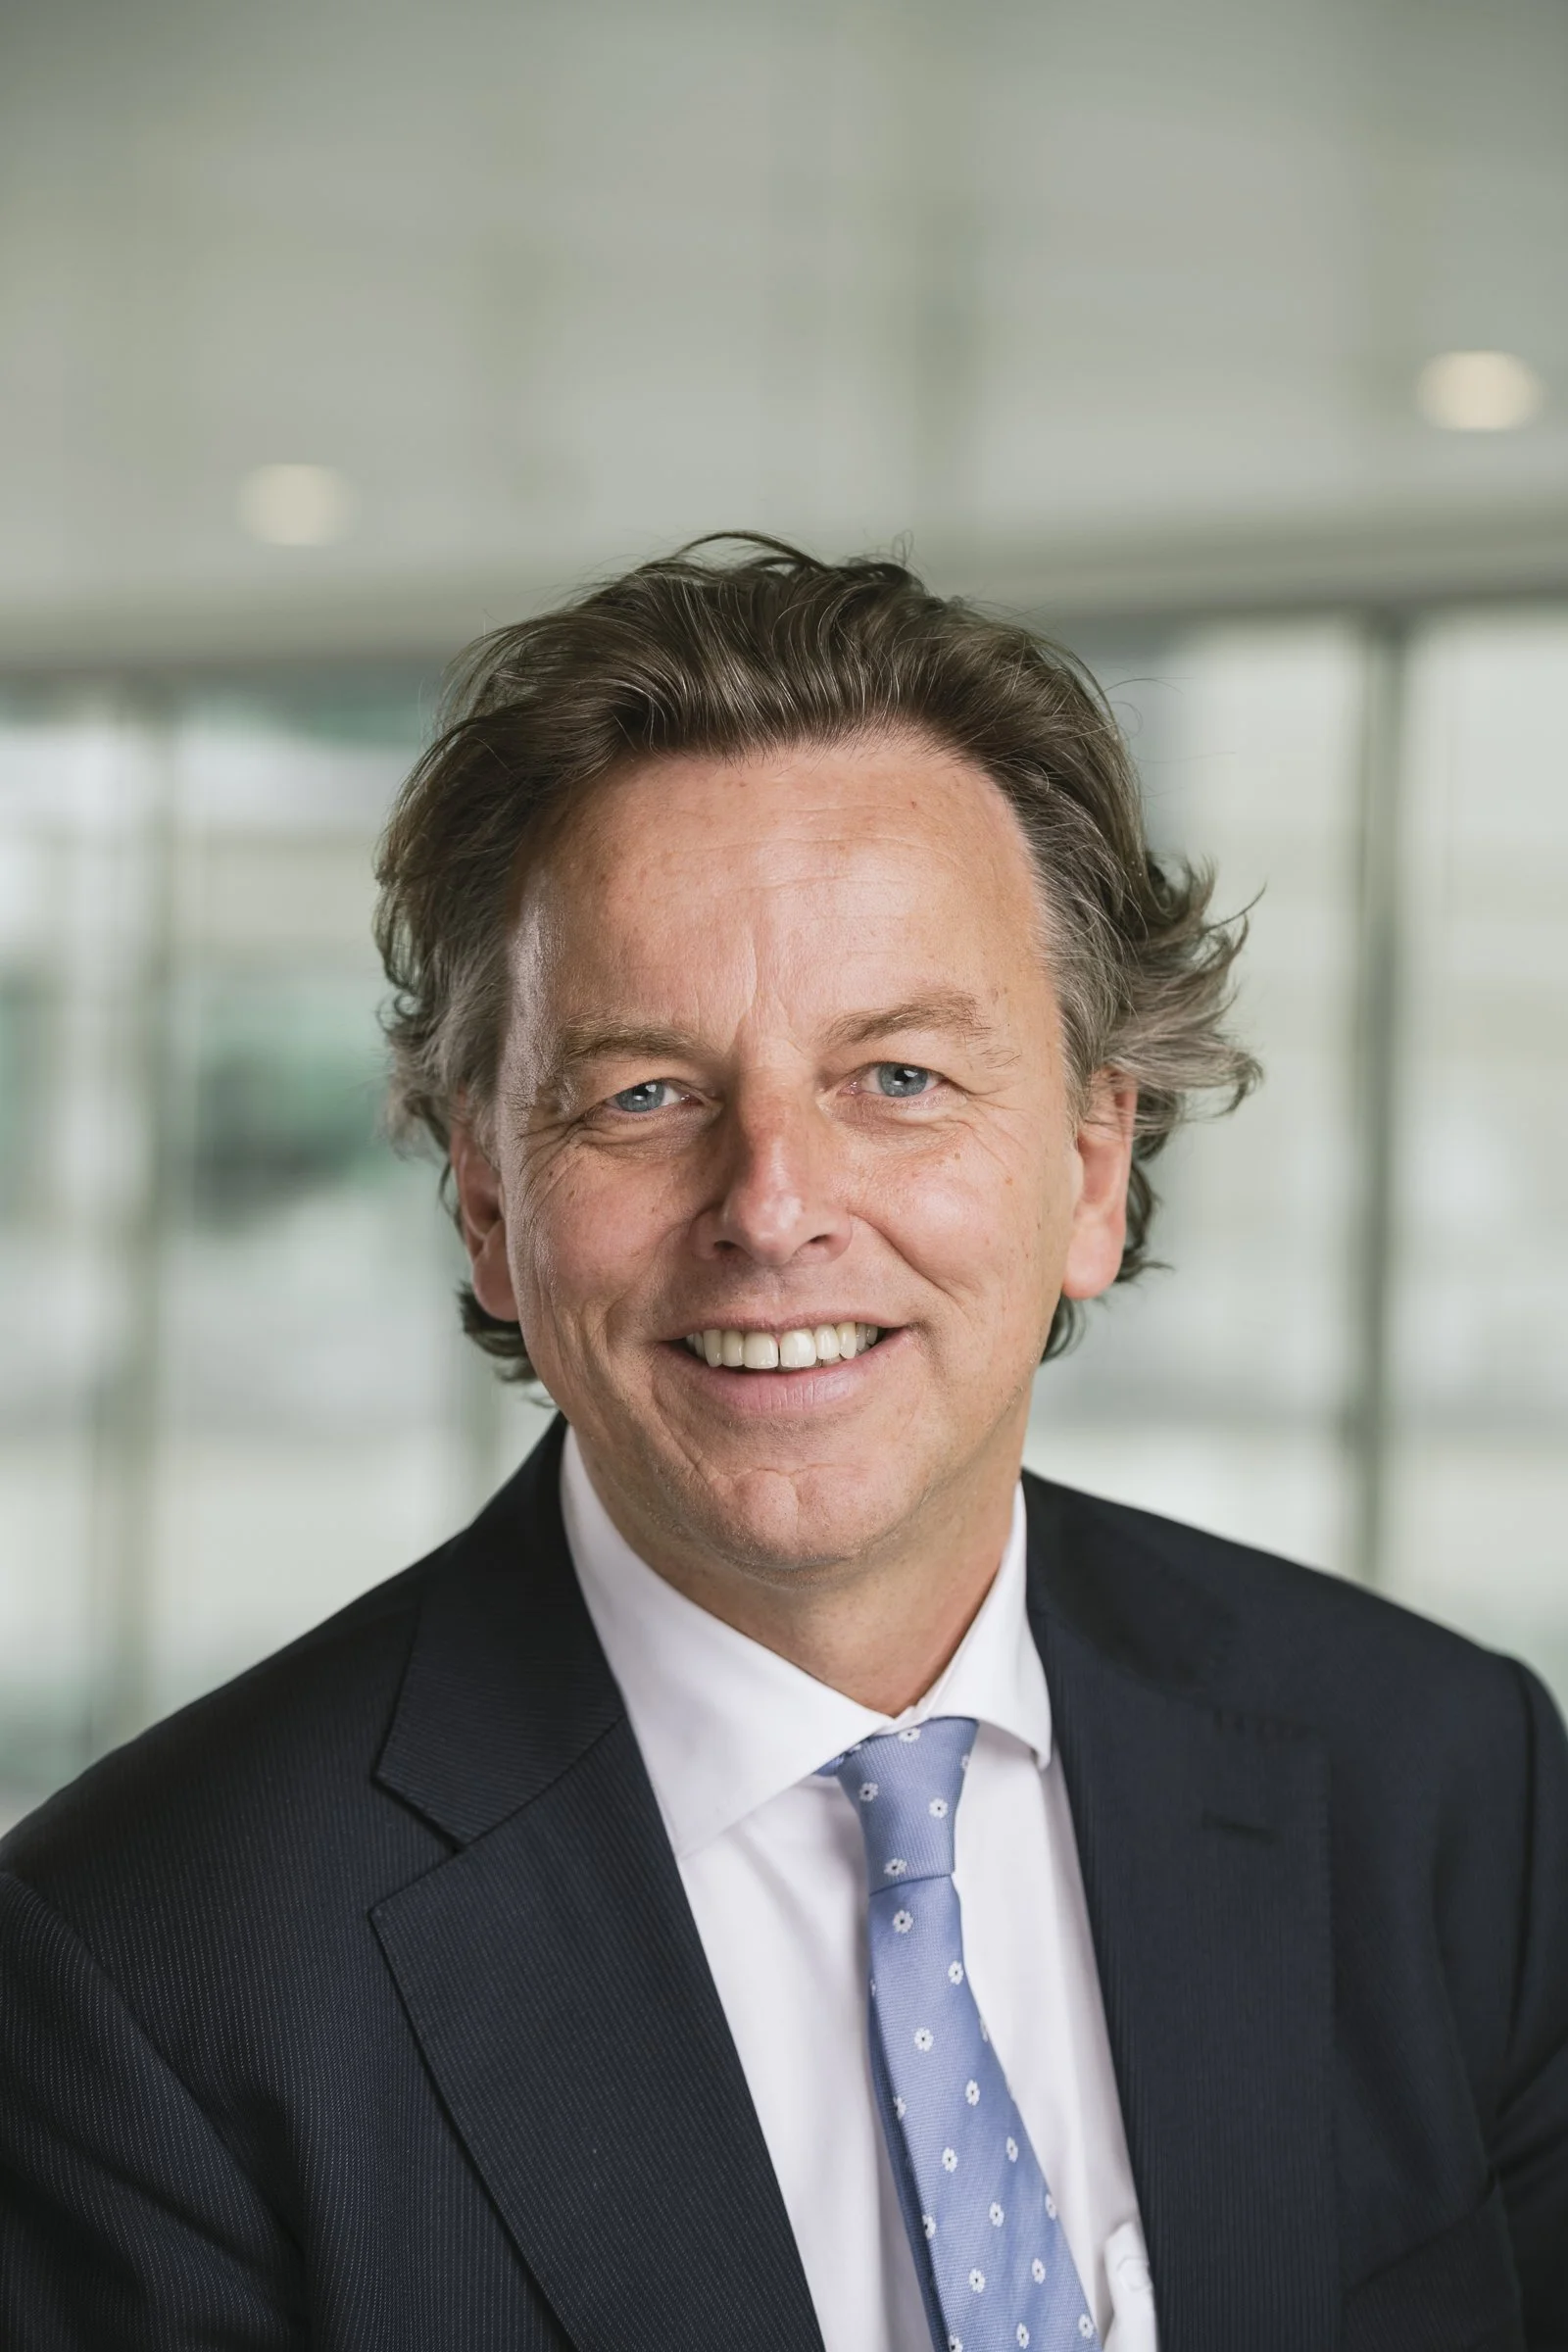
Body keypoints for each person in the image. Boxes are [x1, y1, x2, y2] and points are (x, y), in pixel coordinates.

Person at [2, 539, 1564, 2352]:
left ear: (1090, 1169)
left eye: (898, 1077)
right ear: (490, 1200)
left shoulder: (1443, 1787)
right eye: (644, 1093)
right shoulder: (145, 1974)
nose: (771, 1206)